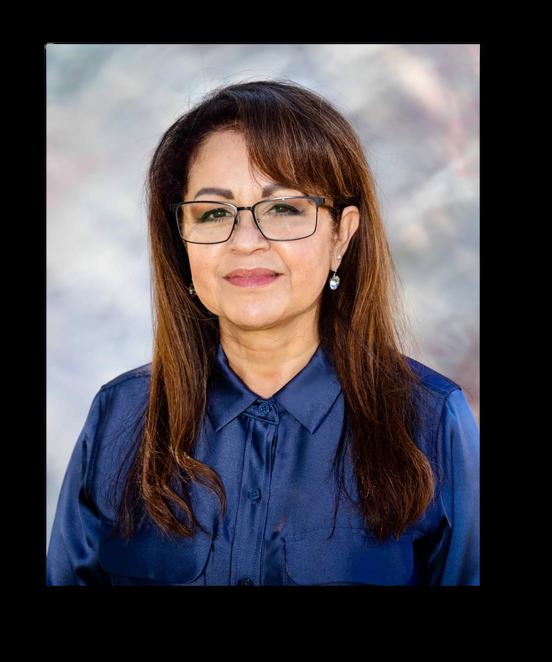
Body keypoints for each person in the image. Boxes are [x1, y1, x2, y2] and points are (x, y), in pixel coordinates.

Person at [46, 79, 480, 586]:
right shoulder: (119, 418)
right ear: (181, 239)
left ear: (342, 236)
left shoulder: (431, 422)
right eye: (214, 213)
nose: (246, 242)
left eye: (284, 208)